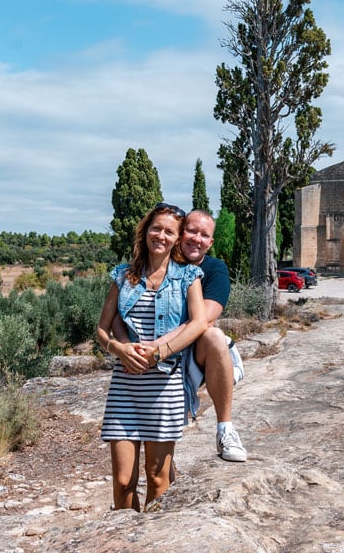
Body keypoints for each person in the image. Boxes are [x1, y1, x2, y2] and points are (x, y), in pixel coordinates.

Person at [112, 209, 248, 462]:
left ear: (211, 242)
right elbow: (121, 310)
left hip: (193, 354)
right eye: (192, 231)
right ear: (180, 232)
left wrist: (156, 347)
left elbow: (204, 319)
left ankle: (225, 429)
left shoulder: (213, 269)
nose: (197, 239)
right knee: (160, 460)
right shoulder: (155, 264)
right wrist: (126, 346)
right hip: (156, 357)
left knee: (214, 335)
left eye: (204, 235)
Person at [96, 202, 207, 511]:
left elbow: (198, 322)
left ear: (177, 238)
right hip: (125, 387)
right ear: (145, 232)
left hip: (164, 387)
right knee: (122, 481)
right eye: (156, 228)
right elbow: (102, 330)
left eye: (169, 231)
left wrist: (160, 352)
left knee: (158, 478)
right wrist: (119, 348)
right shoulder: (123, 275)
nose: (161, 235)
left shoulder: (188, 277)